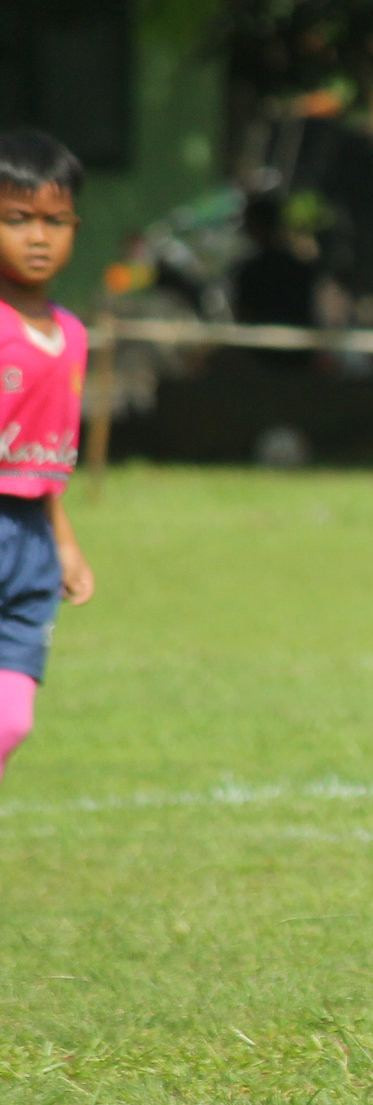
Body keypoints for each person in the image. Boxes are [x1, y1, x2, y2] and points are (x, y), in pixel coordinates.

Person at [0, 130, 96, 784]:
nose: (39, 237)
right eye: (17, 220)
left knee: (13, 720)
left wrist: (63, 543)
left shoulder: (75, 336)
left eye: (55, 223)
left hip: (31, 541)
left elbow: (46, 463)